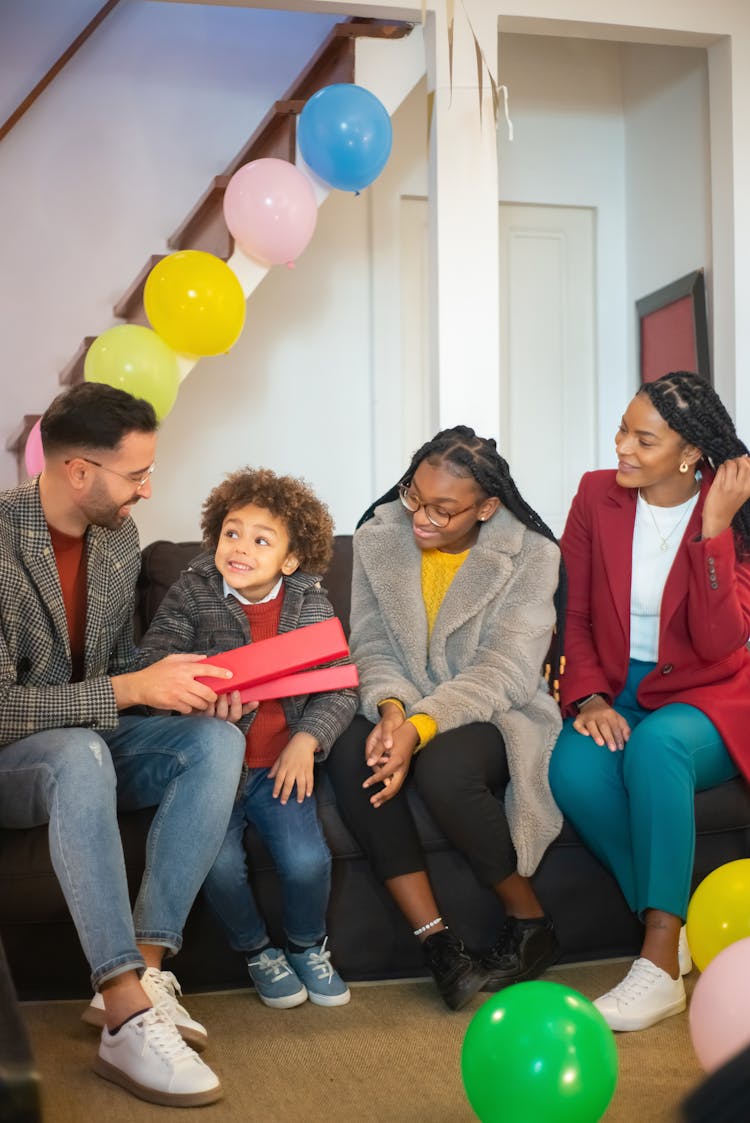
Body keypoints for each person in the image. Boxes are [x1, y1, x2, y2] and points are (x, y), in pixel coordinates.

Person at [0, 383, 248, 1107]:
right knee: (80, 751)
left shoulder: (117, 538)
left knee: (214, 741)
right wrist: (127, 693)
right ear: (78, 470)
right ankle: (123, 1014)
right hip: (20, 757)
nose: (148, 488)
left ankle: (145, 967)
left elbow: (113, 664)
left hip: (86, 740)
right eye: (135, 474)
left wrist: (189, 681)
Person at [325, 426, 564, 1011]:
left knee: (442, 769)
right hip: (401, 698)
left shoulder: (533, 555)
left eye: (443, 510)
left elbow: (505, 671)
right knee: (350, 750)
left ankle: (530, 922)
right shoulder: (379, 537)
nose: (420, 519)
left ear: (487, 508)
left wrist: (419, 727)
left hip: (494, 708)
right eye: (415, 496)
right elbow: (371, 644)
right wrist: (389, 711)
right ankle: (438, 945)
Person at [549, 370, 750, 1032]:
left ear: (691, 452)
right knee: (572, 767)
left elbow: (721, 641)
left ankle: (659, 959)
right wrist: (589, 694)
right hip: (618, 684)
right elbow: (573, 614)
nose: (623, 449)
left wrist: (713, 531)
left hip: (710, 693)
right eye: (622, 431)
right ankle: (677, 921)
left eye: (644, 438)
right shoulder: (594, 496)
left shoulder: (731, 511)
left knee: (657, 748)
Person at [139, 467, 358, 1010]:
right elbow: (150, 669)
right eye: (232, 532)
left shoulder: (309, 604)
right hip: (211, 772)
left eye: (261, 540)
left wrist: (307, 741)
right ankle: (257, 949)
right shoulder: (192, 593)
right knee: (217, 865)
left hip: (279, 765)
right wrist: (199, 697)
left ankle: (307, 945)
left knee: (307, 861)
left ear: (289, 558)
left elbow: (340, 687)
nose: (240, 548)